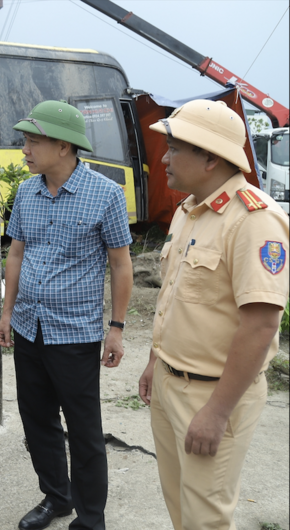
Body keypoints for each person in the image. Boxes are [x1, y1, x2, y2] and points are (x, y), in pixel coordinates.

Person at [138, 99, 289, 530]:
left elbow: (260, 326)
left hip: (211, 396)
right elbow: (175, 297)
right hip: (171, 383)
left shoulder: (254, 220)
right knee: (181, 508)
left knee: (205, 518)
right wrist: (155, 361)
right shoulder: (190, 210)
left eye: (174, 147)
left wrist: (218, 412)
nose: (164, 157)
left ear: (209, 156)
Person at [0, 100, 134, 530]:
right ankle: (57, 497)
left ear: (65, 146)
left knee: (84, 429)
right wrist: (5, 313)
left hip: (74, 333)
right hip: (28, 327)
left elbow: (121, 265)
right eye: (25, 141)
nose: (25, 150)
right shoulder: (26, 192)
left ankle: (91, 519)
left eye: (34, 141)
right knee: (37, 421)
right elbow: (15, 253)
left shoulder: (105, 194)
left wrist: (117, 328)